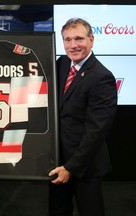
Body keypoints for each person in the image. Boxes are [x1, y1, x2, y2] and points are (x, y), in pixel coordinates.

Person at [48, 18, 117, 216]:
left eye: (79, 38)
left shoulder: (101, 77)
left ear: (91, 40)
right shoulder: (61, 64)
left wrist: (71, 167)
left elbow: (96, 131)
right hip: (58, 161)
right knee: (58, 210)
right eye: (67, 40)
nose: (73, 45)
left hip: (85, 166)